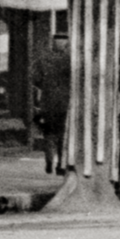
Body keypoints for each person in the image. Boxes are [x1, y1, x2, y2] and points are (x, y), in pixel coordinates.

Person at [32, 35, 71, 175]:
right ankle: (61, 164)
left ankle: (49, 160)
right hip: (65, 104)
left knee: (49, 134)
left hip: (48, 104)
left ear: (52, 44)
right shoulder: (70, 60)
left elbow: (35, 79)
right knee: (63, 136)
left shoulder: (43, 59)